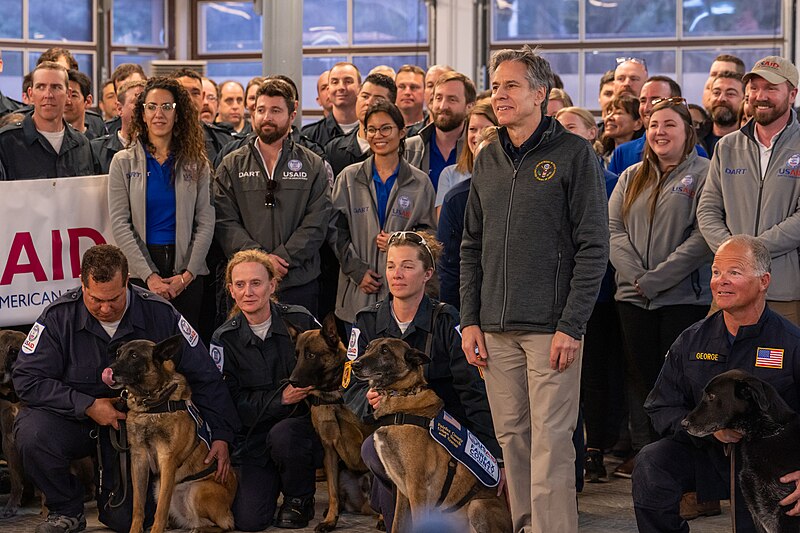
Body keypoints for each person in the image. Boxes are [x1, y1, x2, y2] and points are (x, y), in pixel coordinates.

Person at [460, 45, 609, 533]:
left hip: (552, 330)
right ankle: (526, 526)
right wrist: (470, 320)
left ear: (540, 94)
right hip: (495, 330)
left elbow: (593, 247)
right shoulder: (487, 157)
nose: (498, 95)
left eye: (511, 86)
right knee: (514, 440)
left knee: (551, 442)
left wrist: (572, 324)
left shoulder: (573, 153)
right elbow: (470, 245)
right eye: (495, 85)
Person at [12, 244, 239, 533]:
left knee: (126, 522)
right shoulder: (58, 317)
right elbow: (26, 379)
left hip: (136, 430)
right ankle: (64, 510)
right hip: (78, 419)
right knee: (31, 431)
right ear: (82, 285)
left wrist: (221, 434)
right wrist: (86, 405)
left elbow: (206, 375)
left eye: (115, 299)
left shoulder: (160, 313)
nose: (105, 308)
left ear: (128, 281)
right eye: (95, 300)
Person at [632, 235, 800, 532]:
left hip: (774, 465)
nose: (720, 281)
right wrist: (714, 432)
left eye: (734, 273)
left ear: (764, 281)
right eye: (715, 272)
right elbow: (660, 406)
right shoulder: (692, 340)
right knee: (651, 462)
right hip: (708, 455)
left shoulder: (792, 342)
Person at [342, 230, 502, 532]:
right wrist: (368, 399)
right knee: (373, 449)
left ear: (427, 273)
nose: (396, 274)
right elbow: (350, 381)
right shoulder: (366, 319)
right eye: (390, 266)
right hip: (391, 429)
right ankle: (391, 515)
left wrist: (493, 456)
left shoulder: (446, 320)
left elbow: (473, 390)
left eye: (407, 266)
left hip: (447, 436)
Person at [608, 97, 713, 478]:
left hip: (683, 299)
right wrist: (638, 278)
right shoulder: (629, 175)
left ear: (688, 131)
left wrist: (656, 280)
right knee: (645, 382)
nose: (659, 131)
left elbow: (702, 237)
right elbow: (612, 230)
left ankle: (688, 464)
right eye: (653, 124)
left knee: (682, 387)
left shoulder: (706, 173)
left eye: (669, 124)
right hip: (633, 299)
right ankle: (655, 457)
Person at [211, 249, 322, 530]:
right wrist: (279, 399)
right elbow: (228, 402)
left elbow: (335, 360)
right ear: (231, 290)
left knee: (285, 435)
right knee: (249, 521)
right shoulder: (224, 338)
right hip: (254, 438)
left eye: (256, 283)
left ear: (272, 285)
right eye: (240, 284)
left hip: (300, 431)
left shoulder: (301, 319)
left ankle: (299, 499)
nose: (248, 292)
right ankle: (272, 485)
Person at [215, 78, 331, 316]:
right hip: (247, 284)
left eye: (275, 110)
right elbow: (224, 221)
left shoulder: (313, 164)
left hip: (298, 281)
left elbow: (317, 221)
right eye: (261, 110)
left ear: (292, 114)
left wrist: (281, 259)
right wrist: (259, 262)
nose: (266, 117)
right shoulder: (231, 164)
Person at [698, 55, 800, 326]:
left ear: (792, 94)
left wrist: (749, 254)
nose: (760, 96)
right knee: (718, 365)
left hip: (783, 291)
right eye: (754, 88)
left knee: (778, 366)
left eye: (771, 88)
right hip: (727, 289)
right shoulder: (727, 147)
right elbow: (707, 209)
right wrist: (734, 258)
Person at [108, 76, 214, 329]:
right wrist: (149, 277)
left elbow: (206, 221)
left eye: (167, 107)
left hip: (187, 268)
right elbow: (120, 223)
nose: (159, 114)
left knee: (186, 351)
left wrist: (187, 275)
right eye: (152, 106)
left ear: (178, 114)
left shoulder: (196, 163)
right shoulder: (123, 162)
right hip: (141, 269)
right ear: (142, 114)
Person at [554, 105, 625, 482]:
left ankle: (596, 447)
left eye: (570, 127)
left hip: (600, 294)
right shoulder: (553, 178)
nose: (562, 134)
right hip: (558, 299)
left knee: (596, 375)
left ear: (592, 133)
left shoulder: (613, 181)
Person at [331, 100, 436, 327]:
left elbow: (429, 235)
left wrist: (399, 241)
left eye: (386, 128)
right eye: (372, 129)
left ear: (402, 132)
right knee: (358, 362)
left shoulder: (420, 183)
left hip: (404, 296)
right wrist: (357, 271)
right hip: (358, 292)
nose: (379, 135)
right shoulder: (348, 178)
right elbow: (334, 232)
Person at [0, 61, 97, 180]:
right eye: (41, 87)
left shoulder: (82, 145)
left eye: (56, 87)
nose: (48, 94)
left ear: (68, 94)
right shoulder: (6, 141)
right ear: (31, 94)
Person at [437, 125, 498, 310]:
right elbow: (448, 267)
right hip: (468, 308)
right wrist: (453, 318)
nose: (485, 169)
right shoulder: (456, 199)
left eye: (493, 162)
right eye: (480, 161)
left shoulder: (526, 196)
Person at [608, 76, 708, 176]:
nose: (646, 108)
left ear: (675, 104)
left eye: (655, 100)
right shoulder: (623, 153)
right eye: (642, 101)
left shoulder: (697, 155)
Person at [405, 71, 476, 191]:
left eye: (452, 99)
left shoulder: (476, 149)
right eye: (438, 98)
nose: (442, 106)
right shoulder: (410, 148)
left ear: (469, 107)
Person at [324, 73, 396, 178]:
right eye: (365, 96)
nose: (369, 102)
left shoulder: (402, 149)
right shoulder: (334, 149)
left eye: (378, 99)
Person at [435, 100, 497, 215]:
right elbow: (444, 224)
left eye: (485, 129)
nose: (478, 136)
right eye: (472, 129)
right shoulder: (449, 174)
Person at [90, 79, 146, 173]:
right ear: (119, 108)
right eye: (137, 102)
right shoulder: (95, 150)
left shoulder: (158, 149)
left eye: (148, 104)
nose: (143, 108)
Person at [301, 62, 361, 148]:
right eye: (335, 82)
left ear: (360, 88)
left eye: (348, 81)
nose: (341, 87)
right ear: (328, 90)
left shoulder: (372, 132)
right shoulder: (309, 136)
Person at [703, 71, 744, 156]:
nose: (721, 99)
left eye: (730, 94)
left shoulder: (751, 143)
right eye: (716, 93)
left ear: (744, 100)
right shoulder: (694, 139)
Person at [596, 94, 642, 167]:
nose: (609, 117)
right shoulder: (598, 156)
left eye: (618, 113)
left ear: (638, 124)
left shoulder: (643, 158)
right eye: (608, 113)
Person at [64, 70, 106, 139]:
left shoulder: (98, 142)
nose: (67, 101)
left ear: (88, 101)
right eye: (64, 95)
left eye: (73, 95)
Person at [395, 64, 427, 136]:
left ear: (425, 91)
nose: (407, 92)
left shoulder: (433, 128)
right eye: (402, 87)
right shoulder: (384, 126)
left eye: (413, 87)